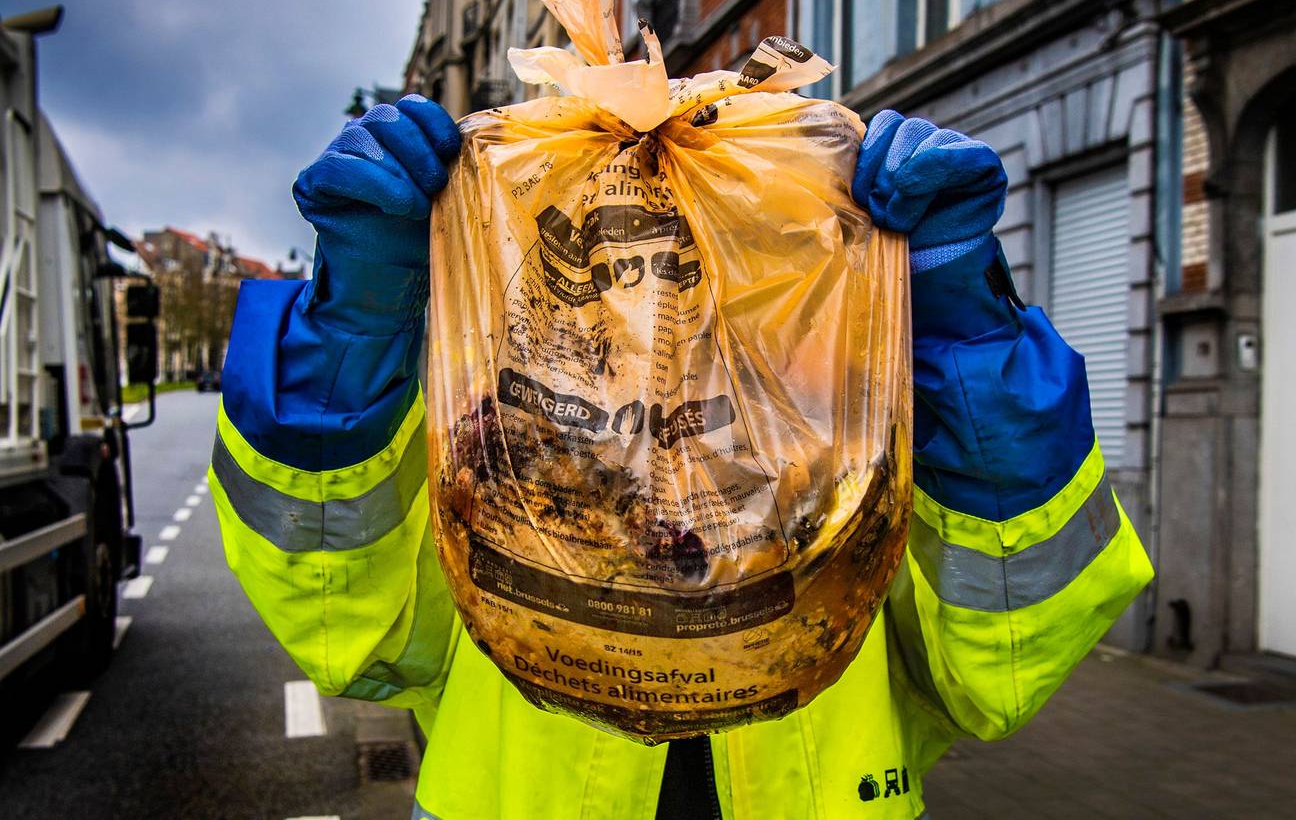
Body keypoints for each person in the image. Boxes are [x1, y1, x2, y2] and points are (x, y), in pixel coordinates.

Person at [210, 96, 1153, 819]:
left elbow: (1002, 667)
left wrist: (968, 348)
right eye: (627, 281)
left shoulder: (850, 469)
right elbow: (346, 626)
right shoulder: (499, 462)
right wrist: (346, 349)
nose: (668, 323)